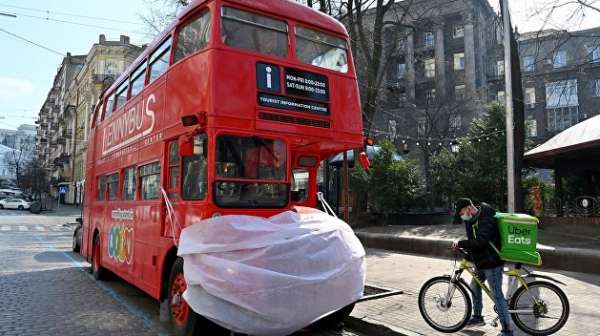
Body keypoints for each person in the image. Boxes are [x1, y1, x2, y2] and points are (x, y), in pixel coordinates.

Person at [451, 198, 513, 336]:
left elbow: (482, 241)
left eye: (461, 212)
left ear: (468, 208)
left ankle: (507, 331)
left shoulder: (486, 215)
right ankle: (478, 317)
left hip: (492, 261)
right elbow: (473, 240)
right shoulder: (470, 219)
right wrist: (467, 255)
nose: (461, 216)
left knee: (497, 295)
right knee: (475, 284)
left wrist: (461, 243)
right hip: (482, 260)